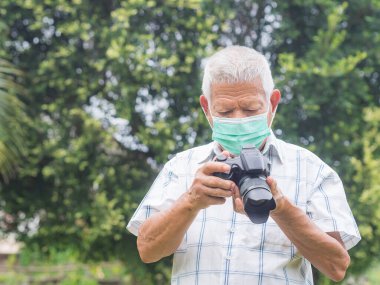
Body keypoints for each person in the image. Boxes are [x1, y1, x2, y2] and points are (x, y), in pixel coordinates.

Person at [127, 46, 361, 285]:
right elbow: (147, 250)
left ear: (273, 102)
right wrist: (191, 201)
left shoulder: (312, 170)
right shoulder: (180, 168)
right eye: (225, 111)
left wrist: (281, 209)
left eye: (250, 109)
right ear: (206, 108)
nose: (238, 119)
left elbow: (336, 266)